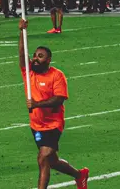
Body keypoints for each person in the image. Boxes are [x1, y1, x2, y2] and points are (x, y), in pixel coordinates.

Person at [17, 18, 90, 189]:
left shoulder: (57, 76)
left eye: (40, 56)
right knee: (52, 161)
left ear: (48, 60)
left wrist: (37, 104)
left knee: (43, 157)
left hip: (53, 124)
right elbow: (22, 54)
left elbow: (59, 98)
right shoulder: (29, 73)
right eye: (35, 55)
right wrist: (21, 31)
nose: (35, 58)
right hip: (36, 124)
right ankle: (80, 175)